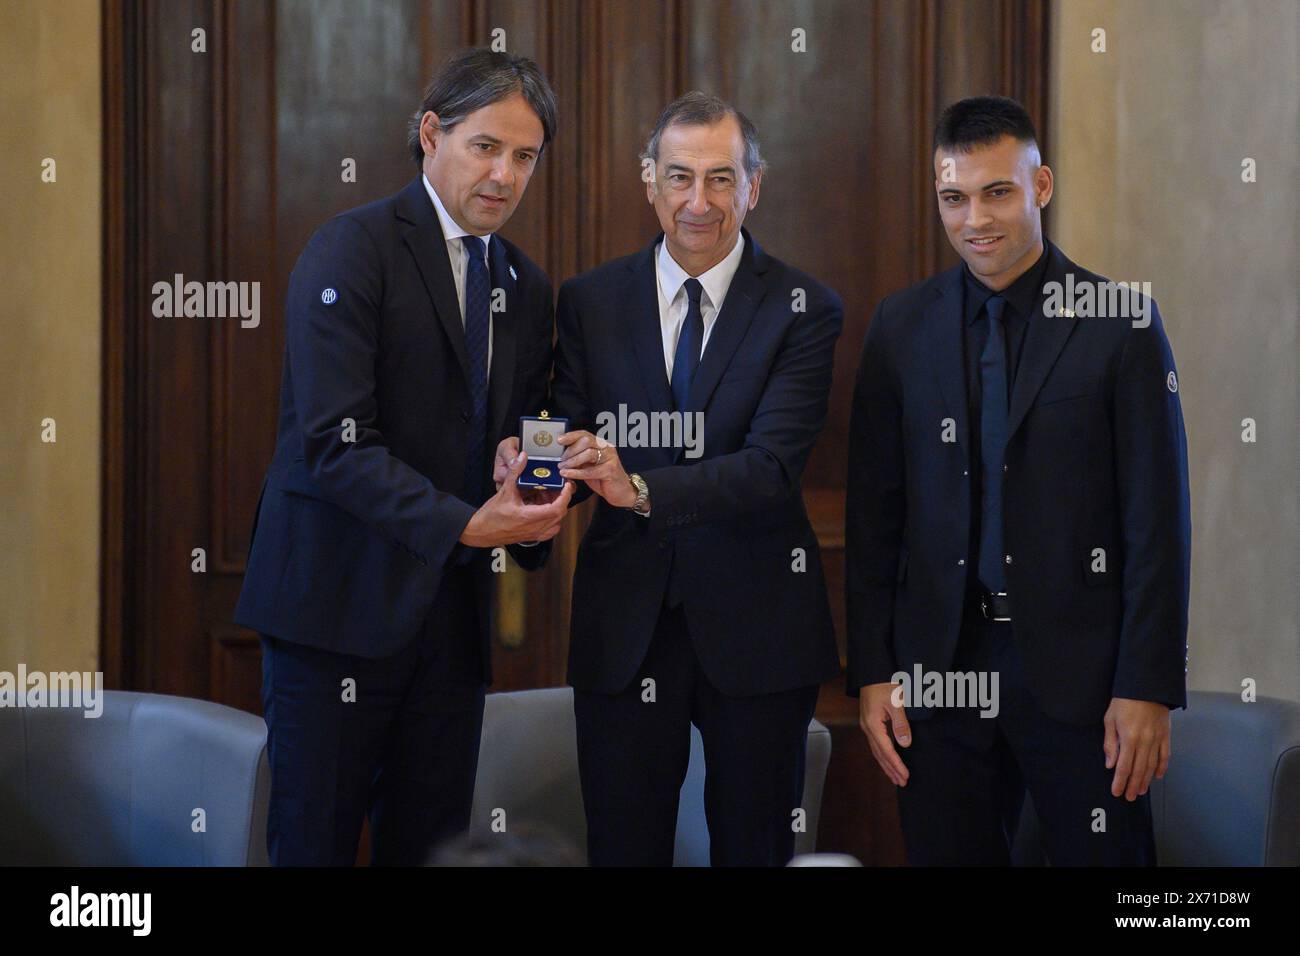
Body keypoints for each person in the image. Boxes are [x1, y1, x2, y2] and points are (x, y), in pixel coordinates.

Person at [234, 48, 572, 865]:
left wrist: (532, 496)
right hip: (331, 615)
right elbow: (335, 445)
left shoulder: (524, 285)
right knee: (311, 847)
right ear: (431, 134)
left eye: (524, 156)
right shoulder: (351, 250)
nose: (504, 174)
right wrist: (468, 525)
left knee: (431, 853)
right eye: (485, 146)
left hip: (448, 634)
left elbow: (526, 433)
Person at [846, 95, 1191, 865]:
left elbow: (1158, 520)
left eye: (997, 192)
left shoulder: (1120, 322)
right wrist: (871, 671)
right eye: (954, 198)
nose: (977, 219)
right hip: (938, 677)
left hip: (1086, 681)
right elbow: (876, 519)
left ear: (1041, 186)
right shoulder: (901, 329)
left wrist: (1148, 686)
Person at [546, 91, 843, 866]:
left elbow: (772, 467)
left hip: (760, 626)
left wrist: (639, 489)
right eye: (679, 177)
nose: (698, 201)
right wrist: (537, 470)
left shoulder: (804, 308)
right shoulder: (589, 302)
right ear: (649, 181)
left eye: (720, 178)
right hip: (625, 627)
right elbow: (571, 437)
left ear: (755, 185)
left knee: (754, 849)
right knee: (622, 847)